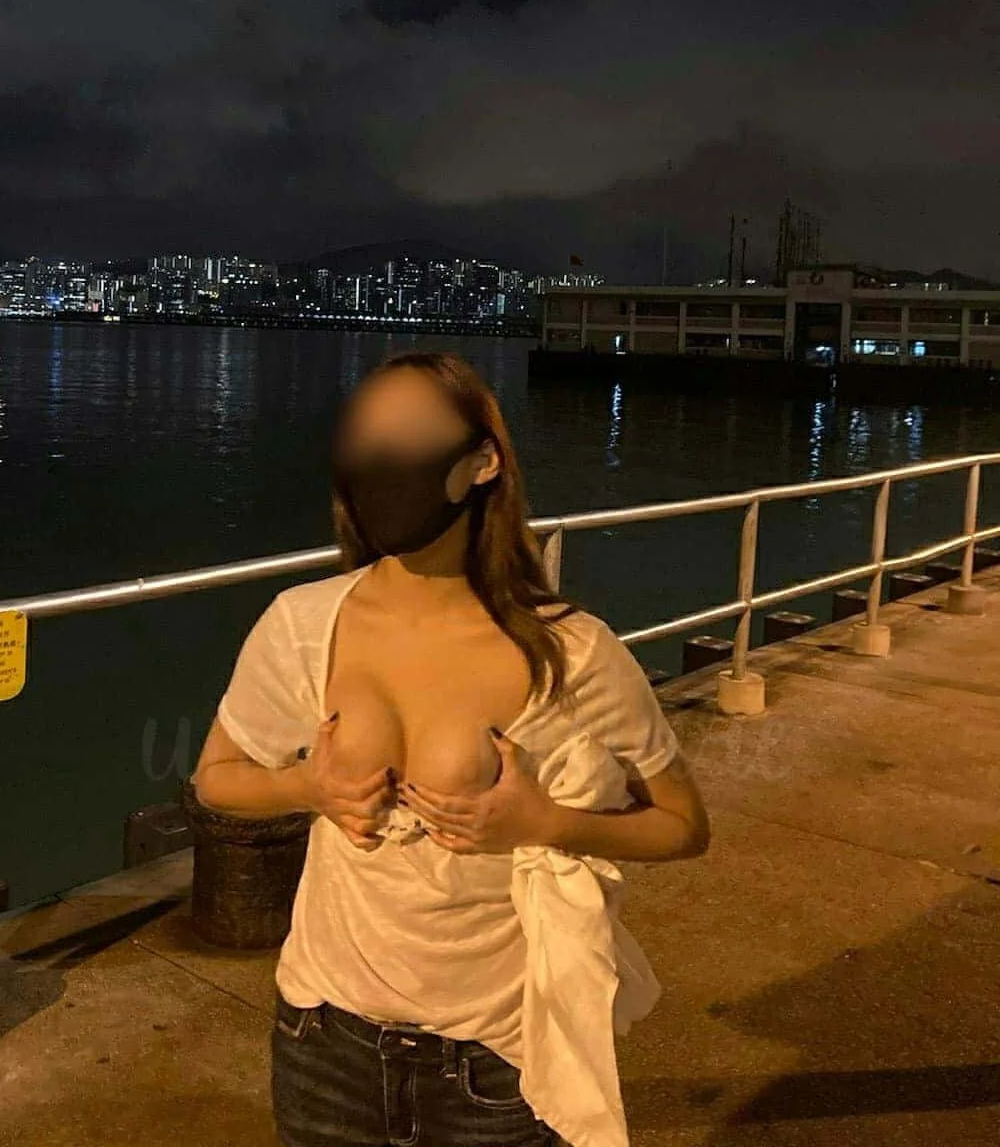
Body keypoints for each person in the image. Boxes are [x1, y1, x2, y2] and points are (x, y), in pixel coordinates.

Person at [192, 350, 710, 1147]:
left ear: (482, 461)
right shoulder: (304, 622)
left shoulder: (570, 651)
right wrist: (307, 788)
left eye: (406, 438)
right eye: (364, 441)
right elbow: (217, 779)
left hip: (496, 1061)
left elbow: (684, 826)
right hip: (323, 1040)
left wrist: (546, 823)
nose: (380, 464)